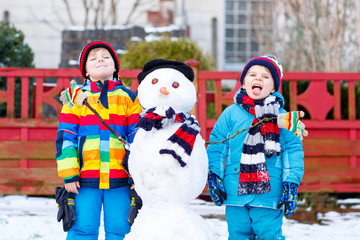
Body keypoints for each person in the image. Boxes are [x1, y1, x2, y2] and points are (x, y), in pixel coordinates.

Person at [206, 54, 305, 240]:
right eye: (252, 74)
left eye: (265, 76)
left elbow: (293, 150)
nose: (258, 78)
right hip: (235, 191)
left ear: (274, 87)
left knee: (269, 234)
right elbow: (217, 146)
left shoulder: (281, 117)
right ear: (243, 83)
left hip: (269, 193)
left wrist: (291, 182)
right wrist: (214, 175)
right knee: (237, 235)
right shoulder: (231, 114)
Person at [55, 41, 142, 240]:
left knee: (122, 228)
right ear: (85, 71)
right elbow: (66, 137)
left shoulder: (128, 98)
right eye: (93, 58)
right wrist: (69, 174)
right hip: (84, 180)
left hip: (121, 179)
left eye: (106, 57)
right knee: (82, 227)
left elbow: (138, 138)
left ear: (115, 66)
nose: (100, 60)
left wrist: (138, 174)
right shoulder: (75, 100)